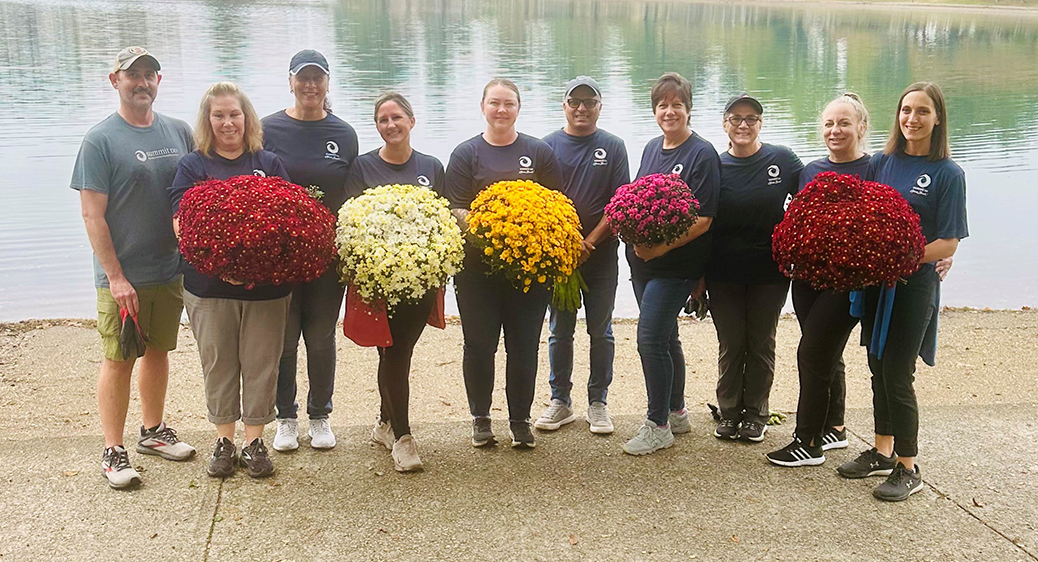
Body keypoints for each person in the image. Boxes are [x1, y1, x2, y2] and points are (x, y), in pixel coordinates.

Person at [71, 46, 196, 489]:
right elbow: (92, 215)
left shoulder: (179, 131)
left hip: (169, 269)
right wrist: (116, 277)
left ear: (158, 82)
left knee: (159, 352)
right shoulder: (100, 140)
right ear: (115, 81)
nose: (142, 82)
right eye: (133, 75)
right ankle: (113, 450)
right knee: (119, 357)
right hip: (122, 277)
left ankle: (153, 432)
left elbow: (197, 191)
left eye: (149, 75)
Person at [839, 82, 968, 502]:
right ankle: (882, 449)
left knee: (897, 371)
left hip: (914, 287)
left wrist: (902, 260)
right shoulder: (884, 162)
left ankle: (909, 467)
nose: (912, 119)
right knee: (876, 365)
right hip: (878, 282)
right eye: (906, 110)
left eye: (922, 111)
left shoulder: (948, 173)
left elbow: (948, 242)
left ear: (938, 119)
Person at [169, 82, 292, 479]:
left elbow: (289, 221)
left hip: (267, 290)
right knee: (219, 363)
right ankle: (224, 440)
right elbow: (180, 222)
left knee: (261, 364)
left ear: (247, 118)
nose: (227, 122)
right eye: (218, 115)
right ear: (207, 120)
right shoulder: (193, 165)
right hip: (208, 287)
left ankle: (254, 441)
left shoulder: (268, 162)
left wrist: (258, 267)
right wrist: (222, 265)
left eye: (234, 114)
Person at [445, 78, 563, 449]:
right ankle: (481, 418)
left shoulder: (538, 152)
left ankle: (520, 420)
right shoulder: (466, 154)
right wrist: (495, 231)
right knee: (479, 344)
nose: (501, 110)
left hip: (529, 272)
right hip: (476, 270)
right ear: (483, 107)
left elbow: (556, 204)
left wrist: (530, 238)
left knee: (524, 345)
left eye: (508, 103)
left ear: (518, 108)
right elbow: (456, 207)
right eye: (494, 103)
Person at [766, 93, 872, 467]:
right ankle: (835, 426)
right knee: (827, 350)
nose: (835, 130)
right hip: (808, 277)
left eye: (844, 123)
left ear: (861, 127)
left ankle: (806, 441)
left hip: (848, 280)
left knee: (811, 352)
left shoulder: (875, 169)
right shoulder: (809, 170)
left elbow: (902, 214)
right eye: (829, 123)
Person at [262, 49, 358, 453]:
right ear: (290, 81)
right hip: (279, 259)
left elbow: (353, 198)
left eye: (318, 78)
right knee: (283, 341)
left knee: (319, 338)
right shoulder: (266, 129)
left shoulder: (343, 134)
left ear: (327, 83)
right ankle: (285, 417)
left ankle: (320, 415)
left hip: (326, 258)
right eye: (303, 77)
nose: (310, 85)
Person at [344, 92, 446, 472]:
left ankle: (385, 422)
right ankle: (402, 437)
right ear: (377, 127)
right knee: (393, 351)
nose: (391, 125)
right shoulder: (363, 167)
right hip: (378, 280)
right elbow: (350, 221)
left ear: (412, 121)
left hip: (419, 281)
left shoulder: (431, 167)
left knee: (397, 350)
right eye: (383, 120)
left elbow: (445, 219)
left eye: (397, 117)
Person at [622, 72, 720, 456]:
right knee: (666, 338)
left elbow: (704, 218)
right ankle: (676, 412)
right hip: (643, 265)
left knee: (649, 340)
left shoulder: (702, 154)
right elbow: (634, 201)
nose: (669, 111)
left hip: (675, 267)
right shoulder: (651, 148)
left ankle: (656, 424)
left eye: (676, 104)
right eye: (662, 104)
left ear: (689, 109)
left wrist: (660, 249)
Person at [706, 94, 803, 444]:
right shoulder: (714, 166)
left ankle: (756, 414)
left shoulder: (783, 160)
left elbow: (810, 202)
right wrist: (698, 279)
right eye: (736, 118)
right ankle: (730, 412)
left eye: (751, 118)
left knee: (761, 342)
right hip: (723, 271)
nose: (743, 125)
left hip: (770, 271)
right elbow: (703, 223)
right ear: (724, 124)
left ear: (760, 124)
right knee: (732, 343)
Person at [535, 76, 630, 435]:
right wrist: (564, 244)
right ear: (564, 105)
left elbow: (619, 202)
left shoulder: (613, 146)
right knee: (560, 329)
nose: (581, 108)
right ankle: (560, 401)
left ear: (599, 107)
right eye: (574, 101)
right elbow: (540, 202)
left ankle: (598, 402)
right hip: (559, 257)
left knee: (600, 329)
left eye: (589, 102)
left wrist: (588, 242)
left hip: (601, 253)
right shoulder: (546, 146)